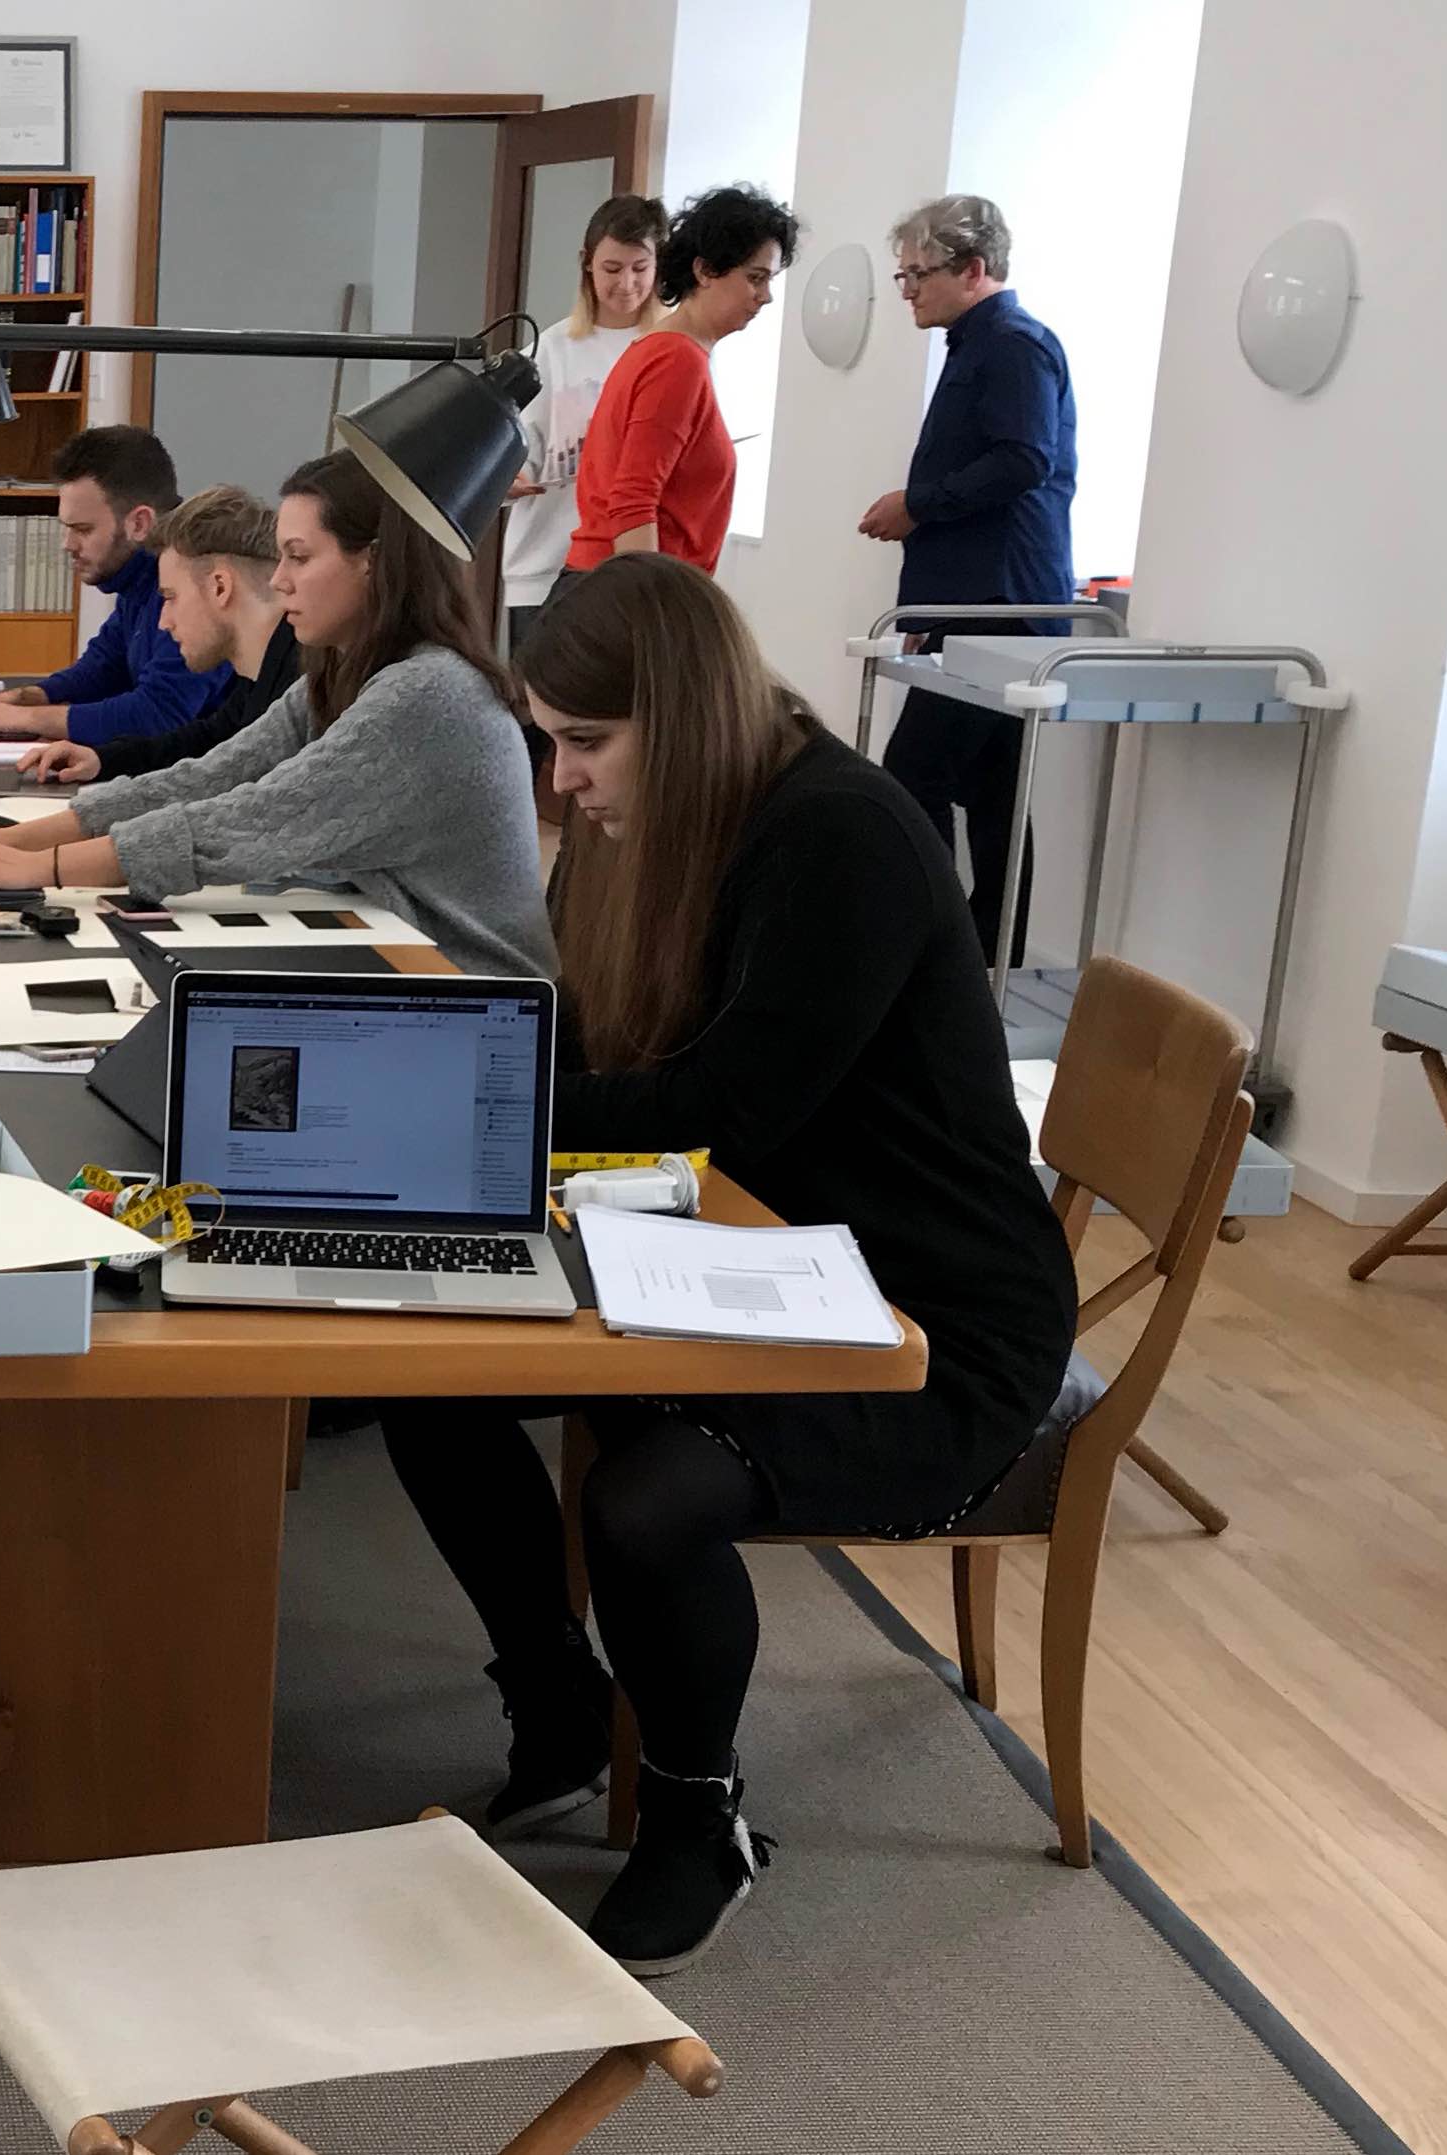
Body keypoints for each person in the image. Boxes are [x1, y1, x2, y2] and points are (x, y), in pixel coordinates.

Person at [377, 554, 1075, 1975]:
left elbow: (725, 1106)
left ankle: (697, 1821)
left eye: (585, 741)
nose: (562, 779)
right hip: (758, 1250)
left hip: (927, 1317)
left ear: (681, 714)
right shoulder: (671, 816)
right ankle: (563, 1707)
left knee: (648, 1503)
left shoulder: (840, 836)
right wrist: (446, 1074)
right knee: (423, 1374)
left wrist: (465, 1100)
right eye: (551, 741)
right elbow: (597, 1040)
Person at [0, 454, 553, 980]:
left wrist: (41, 869)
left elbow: (258, 815)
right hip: (400, 957)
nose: (279, 581)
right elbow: (212, 777)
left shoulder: (427, 693)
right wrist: (14, 840)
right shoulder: (348, 671)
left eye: (299, 557)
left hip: (476, 998)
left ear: (374, 560)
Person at [860, 194, 1076, 965]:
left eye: (918, 274)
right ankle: (984, 964)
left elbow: (1024, 460)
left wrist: (918, 505)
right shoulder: (976, 344)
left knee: (913, 776)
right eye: (903, 275)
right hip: (980, 601)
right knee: (991, 792)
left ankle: (941, 955)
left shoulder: (1014, 345)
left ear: (974, 268)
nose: (908, 290)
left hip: (1004, 604)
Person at [0, 426, 232, 748]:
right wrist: (16, 700)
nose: (67, 545)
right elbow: (103, 668)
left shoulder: (194, 587)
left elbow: (157, 714)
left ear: (139, 523)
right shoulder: (139, 579)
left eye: (82, 530)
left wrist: (25, 719)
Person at [566, 185, 800, 579]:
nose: (766, 296)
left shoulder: (668, 350)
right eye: (755, 278)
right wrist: (653, 608)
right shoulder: (676, 359)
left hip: (614, 581)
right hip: (622, 587)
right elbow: (633, 502)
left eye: (769, 280)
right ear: (704, 270)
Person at [7, 485, 301, 788]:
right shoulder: (258, 681)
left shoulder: (308, 687)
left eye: (170, 598)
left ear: (220, 588)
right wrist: (102, 760)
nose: (163, 622)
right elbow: (209, 740)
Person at [503, 195, 665, 653]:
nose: (627, 284)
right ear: (587, 264)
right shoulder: (550, 350)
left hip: (633, 568)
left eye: (640, 268)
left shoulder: (670, 348)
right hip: (545, 567)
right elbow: (513, 447)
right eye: (612, 269)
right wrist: (508, 477)